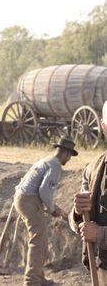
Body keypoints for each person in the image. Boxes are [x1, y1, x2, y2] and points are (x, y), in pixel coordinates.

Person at [14, 136, 78, 286]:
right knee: (38, 241)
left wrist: (53, 208)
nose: (68, 160)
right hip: (30, 201)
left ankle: (38, 277)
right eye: (69, 157)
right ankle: (31, 281)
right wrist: (53, 209)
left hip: (23, 198)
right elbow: (44, 191)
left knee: (39, 240)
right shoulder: (55, 166)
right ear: (66, 154)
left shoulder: (45, 160)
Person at [69, 100, 107, 284]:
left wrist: (100, 234)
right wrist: (77, 212)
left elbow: (95, 232)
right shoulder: (93, 169)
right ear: (102, 125)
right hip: (102, 270)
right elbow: (77, 224)